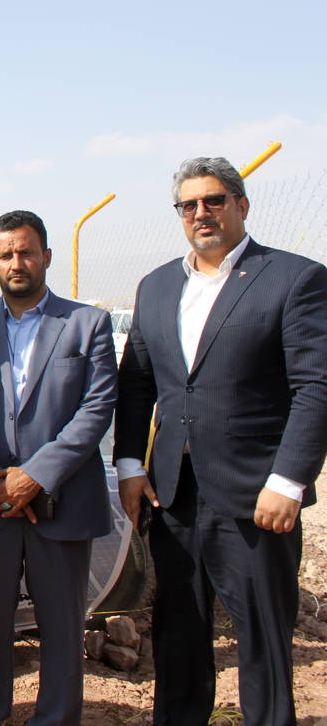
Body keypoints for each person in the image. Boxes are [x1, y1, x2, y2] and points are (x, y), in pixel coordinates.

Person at [115, 157, 327, 726]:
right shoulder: (158, 286)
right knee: (179, 631)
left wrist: (288, 480)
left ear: (241, 205)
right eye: (189, 205)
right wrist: (131, 465)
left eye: (214, 201)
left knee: (262, 637)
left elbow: (315, 386)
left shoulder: (293, 278)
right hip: (174, 495)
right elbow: (137, 384)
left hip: (256, 496)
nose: (201, 213)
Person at [0, 210, 117, 726]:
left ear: (46, 255)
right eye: (6, 254)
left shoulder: (87, 323)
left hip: (62, 501)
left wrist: (36, 476)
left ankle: (57, 718)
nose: (16, 263)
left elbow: (97, 407)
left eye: (26, 252)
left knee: (62, 626)